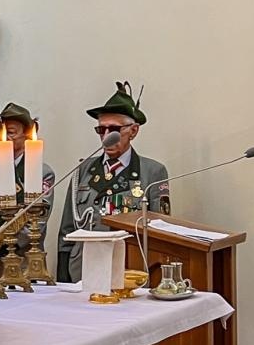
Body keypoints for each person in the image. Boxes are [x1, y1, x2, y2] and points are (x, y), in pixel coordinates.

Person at [56, 83, 170, 284]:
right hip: (82, 270)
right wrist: (63, 280)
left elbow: (160, 233)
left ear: (133, 131)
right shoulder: (83, 170)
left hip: (128, 271)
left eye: (114, 129)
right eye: (101, 129)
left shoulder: (152, 172)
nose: (107, 136)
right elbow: (67, 230)